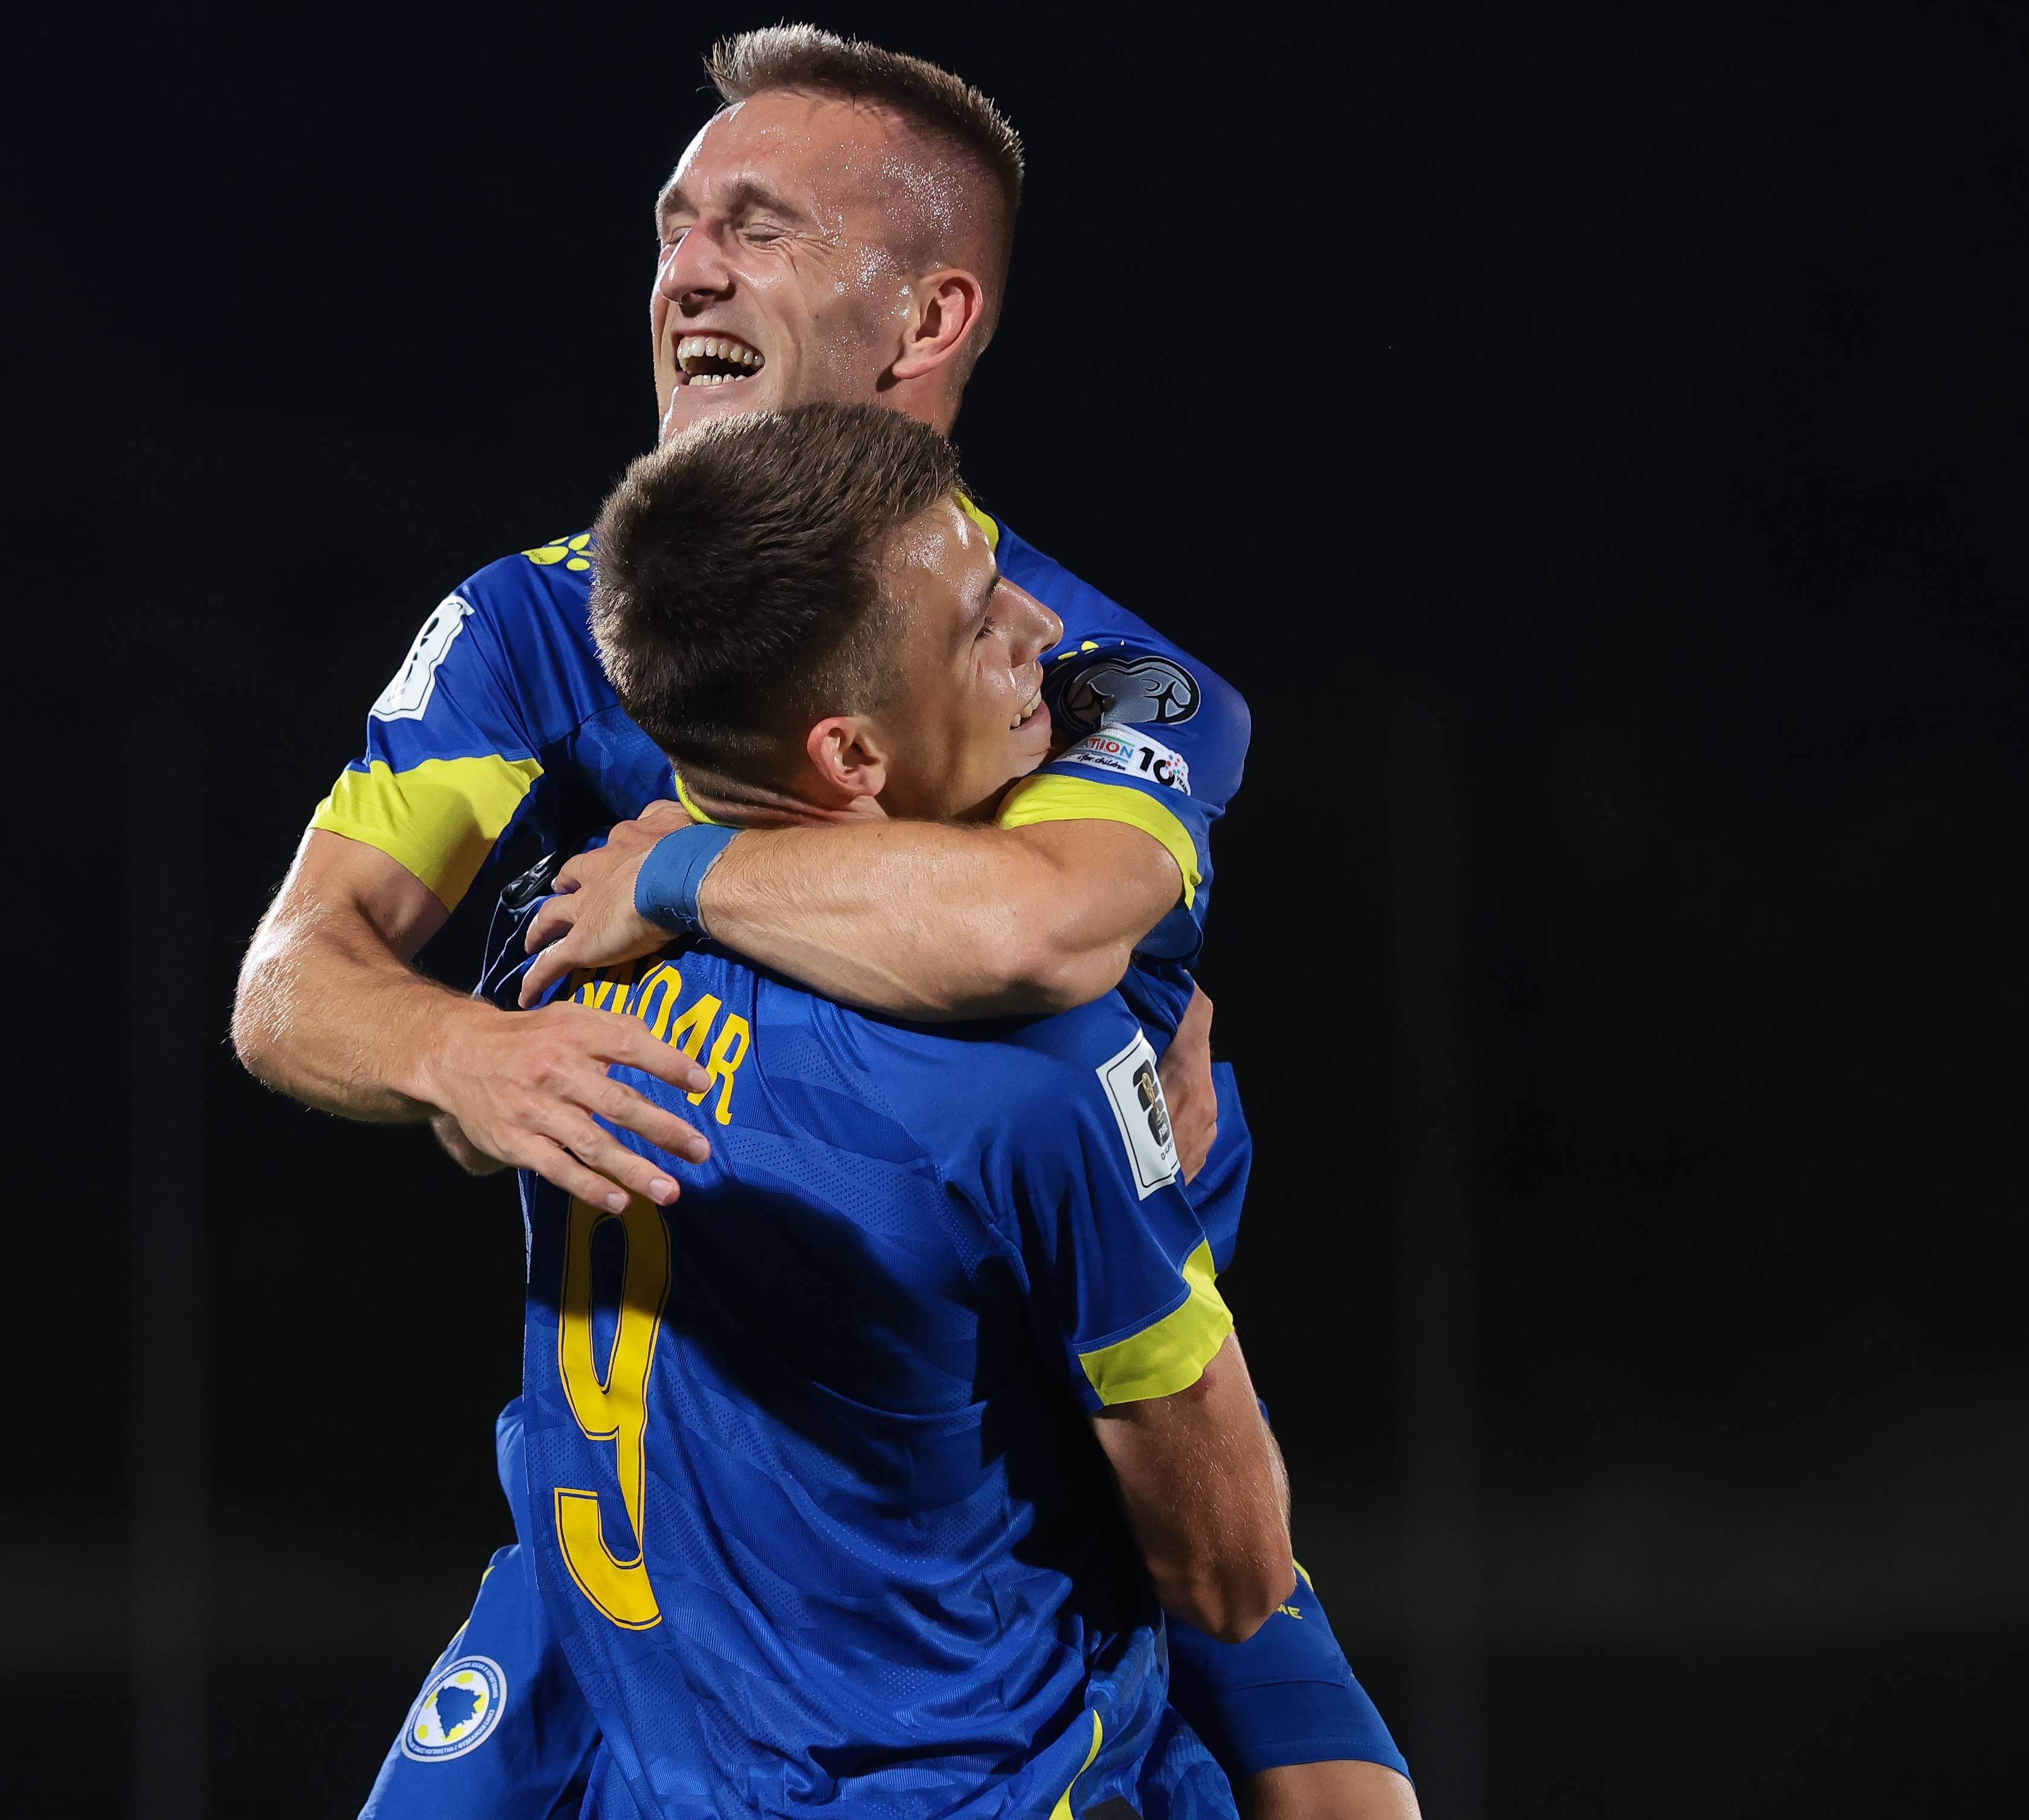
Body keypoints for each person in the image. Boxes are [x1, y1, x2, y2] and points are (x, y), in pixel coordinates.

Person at [231, 26, 1410, 1819]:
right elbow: (289, 982)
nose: (686, 269)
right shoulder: (534, 628)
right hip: (608, 1573)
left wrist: (680, 873)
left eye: (758, 229)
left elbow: (1038, 932)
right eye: (673, 225)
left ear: (926, 323)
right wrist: (455, 1047)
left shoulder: (1075, 676)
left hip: (972, 1577)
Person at [523, 400, 1292, 1818]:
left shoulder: (559, 957)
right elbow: (1231, 1571)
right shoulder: (1032, 1074)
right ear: (851, 759)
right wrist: (1160, 1184)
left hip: (660, 1774)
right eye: (979, 628)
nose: (1041, 638)